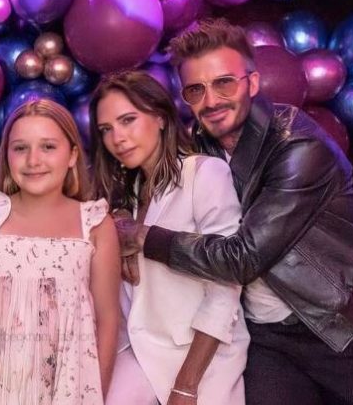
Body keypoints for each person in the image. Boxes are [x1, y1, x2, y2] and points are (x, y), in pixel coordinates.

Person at [126, 18, 353, 404]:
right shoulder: (199, 148)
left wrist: (144, 238)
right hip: (266, 338)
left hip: (336, 326)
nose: (211, 101)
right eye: (196, 90)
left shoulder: (297, 145)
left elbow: (243, 258)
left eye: (224, 83)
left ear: (252, 83)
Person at [0, 99, 121, 404]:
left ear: (72, 155)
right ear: (7, 156)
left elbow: (108, 321)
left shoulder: (95, 225)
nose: (33, 160)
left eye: (48, 147)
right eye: (20, 148)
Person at [90, 71, 249, 405]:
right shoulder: (126, 196)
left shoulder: (205, 173)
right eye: (106, 129)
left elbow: (225, 289)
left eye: (128, 120)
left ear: (161, 117)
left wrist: (186, 386)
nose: (117, 138)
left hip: (200, 362)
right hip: (138, 354)